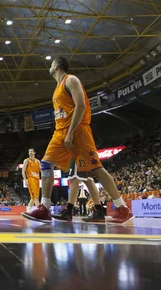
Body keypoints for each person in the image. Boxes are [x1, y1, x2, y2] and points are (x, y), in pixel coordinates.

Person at [22, 57, 133, 224]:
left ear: (57, 66)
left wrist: (71, 131)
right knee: (45, 164)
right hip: (60, 132)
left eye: (51, 63)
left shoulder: (71, 79)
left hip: (77, 131)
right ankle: (44, 208)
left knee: (96, 169)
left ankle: (122, 208)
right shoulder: (57, 87)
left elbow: (80, 105)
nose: (49, 66)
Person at [52, 157, 105, 222]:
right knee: (88, 179)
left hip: (77, 152)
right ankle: (99, 211)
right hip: (84, 153)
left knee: (74, 179)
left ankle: (68, 211)